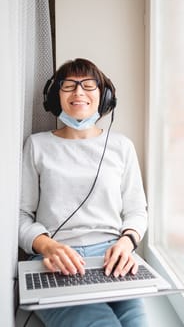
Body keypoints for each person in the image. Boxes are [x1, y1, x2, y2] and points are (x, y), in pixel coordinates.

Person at [19, 58, 148, 327]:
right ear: (56, 97)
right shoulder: (36, 145)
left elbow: (136, 211)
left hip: (113, 257)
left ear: (105, 96)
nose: (79, 92)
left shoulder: (122, 146)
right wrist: (48, 246)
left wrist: (126, 243)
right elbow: (21, 216)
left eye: (88, 85)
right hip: (55, 258)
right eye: (69, 86)